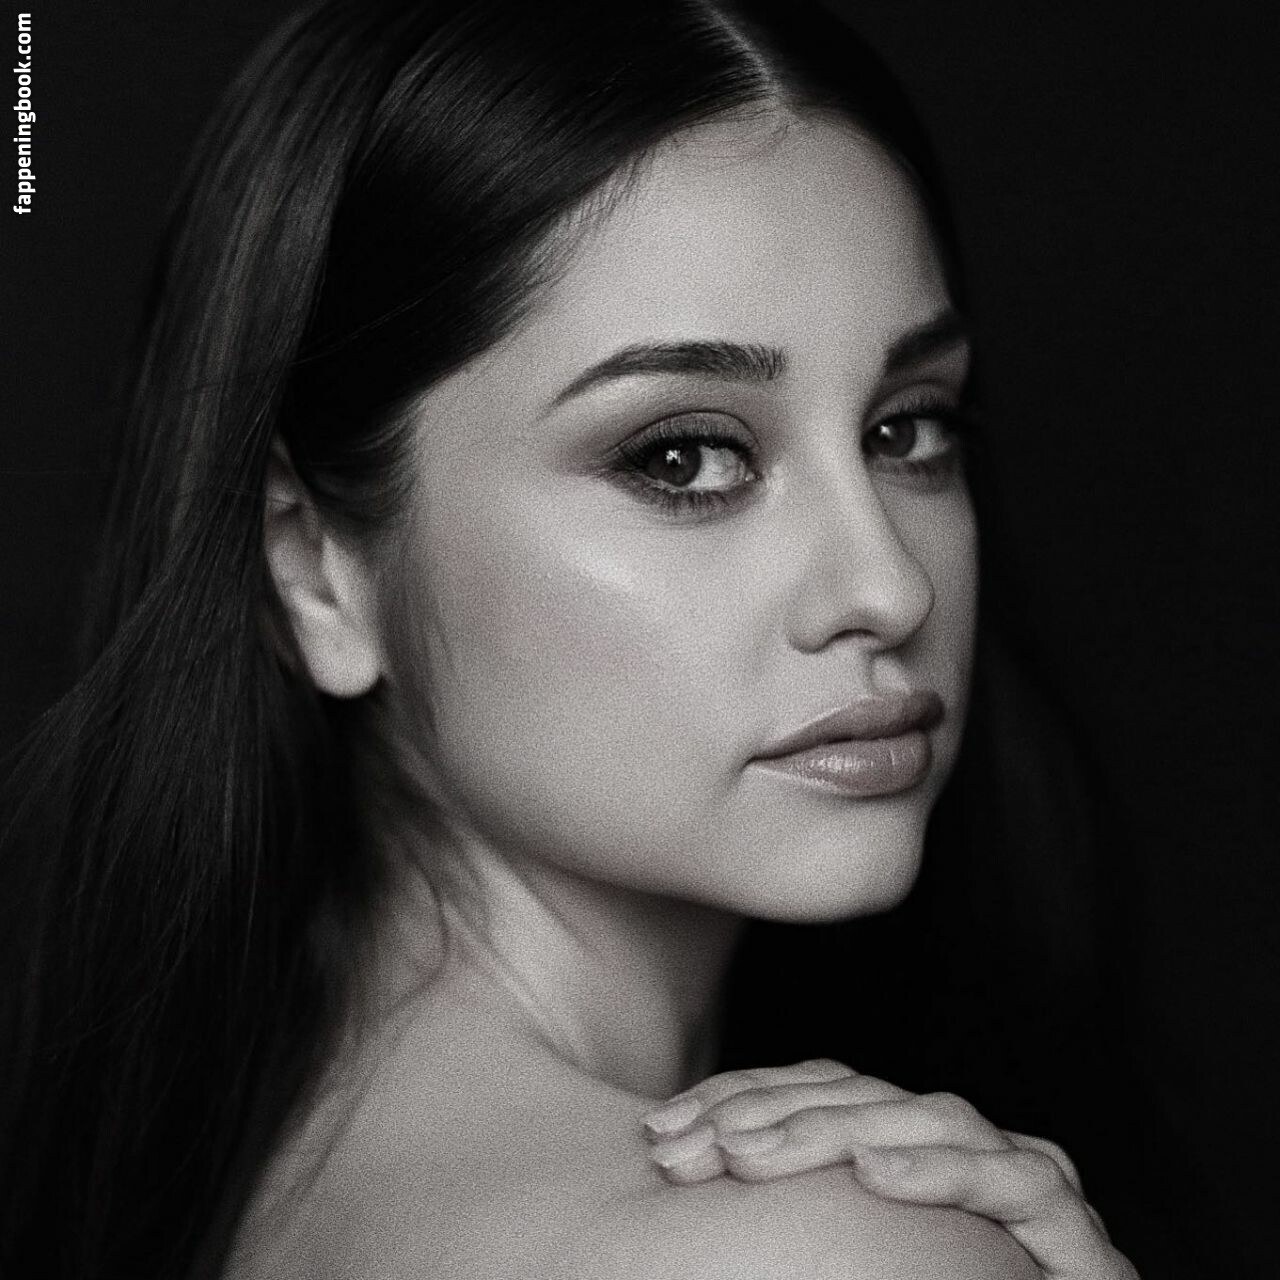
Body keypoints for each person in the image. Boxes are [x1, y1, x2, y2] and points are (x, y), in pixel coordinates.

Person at [0, 0, 1142, 1276]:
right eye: (682, 456)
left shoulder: (252, 1179)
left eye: (905, 428)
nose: (887, 585)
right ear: (312, 566)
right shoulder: (813, 1248)